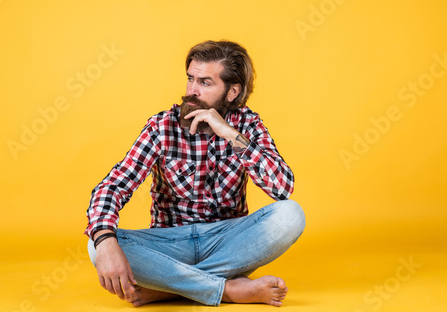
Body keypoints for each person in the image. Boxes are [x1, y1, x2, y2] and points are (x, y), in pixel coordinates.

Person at [85, 40, 305, 307]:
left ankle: (172, 288)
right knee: (97, 244)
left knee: (291, 215)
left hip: (227, 242)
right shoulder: (162, 126)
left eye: (205, 83)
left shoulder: (247, 124)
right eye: (190, 79)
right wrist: (106, 242)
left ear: (232, 91)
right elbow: (114, 186)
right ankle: (226, 289)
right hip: (170, 243)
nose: (192, 91)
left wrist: (228, 133)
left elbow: (282, 187)